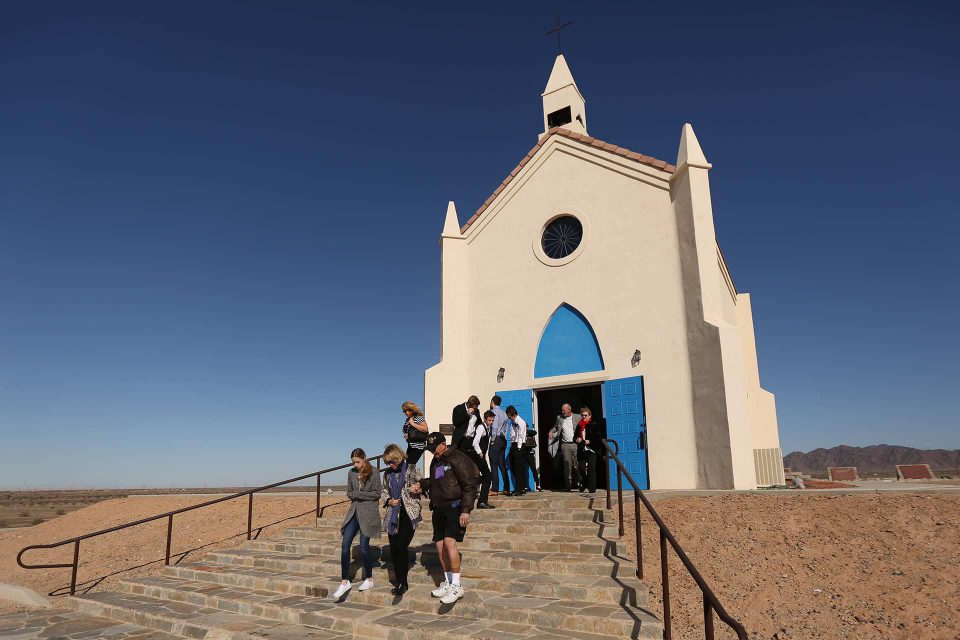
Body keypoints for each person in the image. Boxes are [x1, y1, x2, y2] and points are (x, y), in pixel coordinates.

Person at [410, 432, 477, 604]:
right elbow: (434, 480)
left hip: (455, 507)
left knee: (449, 542)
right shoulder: (437, 460)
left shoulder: (458, 458)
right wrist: (422, 485)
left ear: (443, 444)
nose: (433, 452)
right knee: (440, 546)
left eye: (434, 448)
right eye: (430, 449)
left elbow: (470, 484)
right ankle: (447, 582)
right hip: (439, 508)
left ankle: (457, 585)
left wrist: (466, 509)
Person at [333, 448, 382, 599]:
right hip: (353, 512)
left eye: (358, 462)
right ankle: (344, 582)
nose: (355, 465)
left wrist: (358, 494)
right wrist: (354, 494)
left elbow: (377, 494)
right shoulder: (351, 473)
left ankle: (369, 579)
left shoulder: (374, 472)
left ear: (364, 459)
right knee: (345, 545)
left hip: (368, 513)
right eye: (353, 462)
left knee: (363, 547)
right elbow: (349, 492)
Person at [380, 443, 422, 596]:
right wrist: (389, 500)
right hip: (393, 513)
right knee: (393, 549)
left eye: (392, 461)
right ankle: (399, 581)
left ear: (398, 457)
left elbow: (422, 484)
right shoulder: (387, 474)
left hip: (409, 512)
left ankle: (403, 583)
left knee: (401, 546)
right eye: (388, 462)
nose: (391, 465)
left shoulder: (411, 469)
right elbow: (384, 490)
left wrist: (417, 488)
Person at [506, 405, 540, 494]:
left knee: (518, 468)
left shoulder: (521, 422)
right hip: (514, 444)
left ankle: (520, 489)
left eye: (508, 415)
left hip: (519, 445)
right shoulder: (513, 422)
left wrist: (519, 448)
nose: (508, 418)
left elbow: (521, 436)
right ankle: (519, 487)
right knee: (513, 466)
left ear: (511, 414)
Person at [469, 411, 496, 509]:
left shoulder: (487, 428)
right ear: (485, 419)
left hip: (480, 455)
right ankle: (482, 501)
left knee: (486, 476)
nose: (491, 422)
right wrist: (480, 453)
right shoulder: (481, 427)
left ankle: (482, 499)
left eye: (492, 420)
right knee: (488, 476)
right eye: (490, 420)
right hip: (477, 455)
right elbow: (475, 442)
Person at [575, 406, 604, 493]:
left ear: (590, 416)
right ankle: (584, 482)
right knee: (581, 468)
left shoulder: (594, 425)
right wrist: (576, 439)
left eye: (585, 415)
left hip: (592, 450)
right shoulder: (579, 425)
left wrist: (590, 441)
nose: (584, 417)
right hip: (582, 449)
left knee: (591, 469)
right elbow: (575, 436)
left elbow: (598, 438)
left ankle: (592, 488)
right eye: (582, 415)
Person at [553, 403, 581, 491]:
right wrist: (551, 431)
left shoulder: (578, 417)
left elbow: (584, 427)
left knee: (578, 464)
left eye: (564, 410)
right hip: (565, 445)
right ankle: (568, 486)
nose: (562, 412)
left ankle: (580, 483)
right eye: (562, 410)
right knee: (567, 465)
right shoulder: (560, 418)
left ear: (569, 410)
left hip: (576, 444)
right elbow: (555, 427)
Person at [487, 395, 511, 496]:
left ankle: (495, 488)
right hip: (503, 440)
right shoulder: (504, 414)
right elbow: (506, 429)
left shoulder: (494, 412)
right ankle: (506, 488)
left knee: (494, 464)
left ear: (493, 402)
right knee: (502, 465)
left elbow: (495, 427)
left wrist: (492, 440)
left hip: (496, 439)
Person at [401, 401, 430, 465]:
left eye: (406, 411)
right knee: (408, 464)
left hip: (418, 446)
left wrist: (413, 424)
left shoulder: (418, 417)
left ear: (411, 409)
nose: (405, 413)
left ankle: (412, 475)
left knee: (410, 464)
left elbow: (425, 429)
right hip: (411, 445)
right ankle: (410, 475)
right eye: (404, 411)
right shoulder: (407, 419)